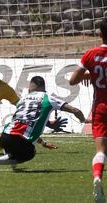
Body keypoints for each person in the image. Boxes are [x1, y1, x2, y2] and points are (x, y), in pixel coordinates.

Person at [0, 76, 87, 174]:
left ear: (30, 89)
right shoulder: (48, 98)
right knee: (30, 153)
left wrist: (43, 143)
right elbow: (75, 110)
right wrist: (83, 120)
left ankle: (12, 164)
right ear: (44, 88)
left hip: (4, 137)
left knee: (15, 142)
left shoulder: (23, 99)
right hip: (19, 139)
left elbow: (23, 123)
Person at [69, 18, 107, 203]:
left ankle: (98, 177)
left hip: (100, 108)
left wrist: (90, 73)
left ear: (100, 34)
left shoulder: (90, 54)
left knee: (101, 150)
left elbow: (72, 80)